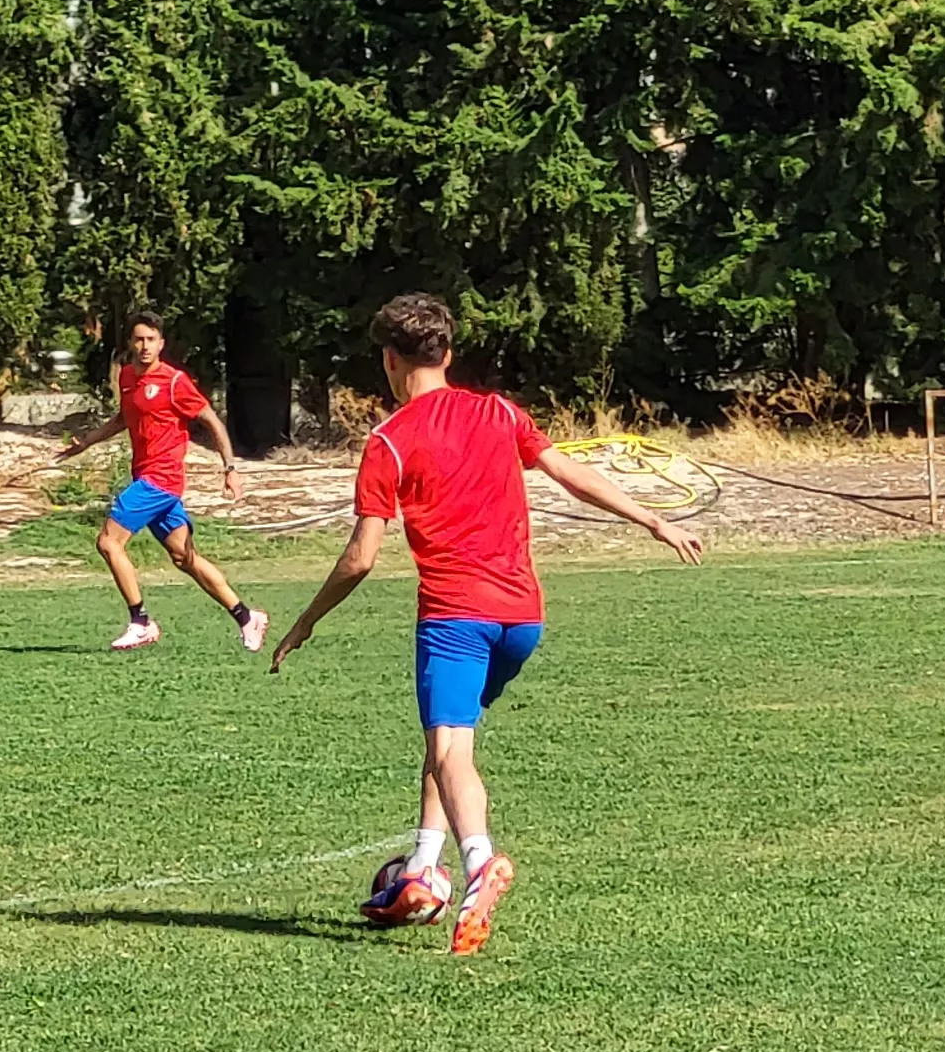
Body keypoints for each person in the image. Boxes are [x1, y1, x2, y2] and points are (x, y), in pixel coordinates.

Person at [269, 293, 701, 954]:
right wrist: (652, 519)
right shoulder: (499, 412)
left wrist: (306, 620)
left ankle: (478, 866)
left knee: (450, 750)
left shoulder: (389, 441)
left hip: (454, 617)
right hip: (523, 619)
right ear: (447, 352)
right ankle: (420, 864)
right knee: (450, 742)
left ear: (389, 360)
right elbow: (569, 473)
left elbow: (360, 558)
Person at [76, 314, 266, 655]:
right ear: (131, 343)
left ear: (161, 344)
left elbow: (211, 420)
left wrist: (230, 468)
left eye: (151, 339)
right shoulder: (129, 378)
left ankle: (141, 621)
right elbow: (124, 417)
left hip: (161, 479)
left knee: (108, 542)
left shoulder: (175, 381)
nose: (144, 346)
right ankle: (246, 616)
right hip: (146, 476)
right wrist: (87, 442)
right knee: (184, 557)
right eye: (138, 339)